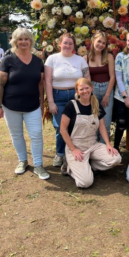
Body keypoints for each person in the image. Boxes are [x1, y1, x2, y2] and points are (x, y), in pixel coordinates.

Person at [0, 28, 49, 179]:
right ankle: (22, 161)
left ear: (31, 41)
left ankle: (38, 165)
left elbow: (41, 84)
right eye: (20, 39)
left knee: (36, 135)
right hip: (10, 106)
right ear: (15, 41)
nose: (23, 42)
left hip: (33, 106)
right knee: (16, 134)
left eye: (26, 39)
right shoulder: (8, 60)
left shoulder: (38, 61)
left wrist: (42, 103)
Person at [60, 78, 121, 188]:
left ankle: (92, 165)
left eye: (87, 88)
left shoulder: (96, 104)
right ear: (77, 91)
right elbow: (63, 130)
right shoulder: (71, 105)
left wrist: (108, 144)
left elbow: (102, 126)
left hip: (92, 145)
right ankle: (70, 166)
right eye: (81, 89)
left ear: (91, 88)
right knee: (85, 183)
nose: (85, 91)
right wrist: (73, 149)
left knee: (116, 158)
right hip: (76, 148)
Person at [45, 33, 90, 167]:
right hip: (58, 96)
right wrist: (51, 102)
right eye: (65, 43)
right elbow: (47, 82)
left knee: (76, 127)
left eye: (70, 43)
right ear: (59, 44)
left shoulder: (80, 60)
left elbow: (87, 78)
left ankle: (71, 154)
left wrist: (87, 97)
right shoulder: (52, 59)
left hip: (76, 96)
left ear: (74, 45)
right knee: (60, 127)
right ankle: (60, 154)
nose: (68, 45)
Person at [84, 32, 115, 142]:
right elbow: (86, 79)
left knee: (105, 123)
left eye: (103, 43)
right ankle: (94, 150)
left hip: (107, 89)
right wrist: (91, 95)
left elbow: (112, 77)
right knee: (94, 123)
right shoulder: (86, 58)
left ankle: (104, 150)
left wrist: (107, 95)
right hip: (93, 90)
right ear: (93, 41)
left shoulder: (109, 57)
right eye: (99, 42)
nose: (101, 45)